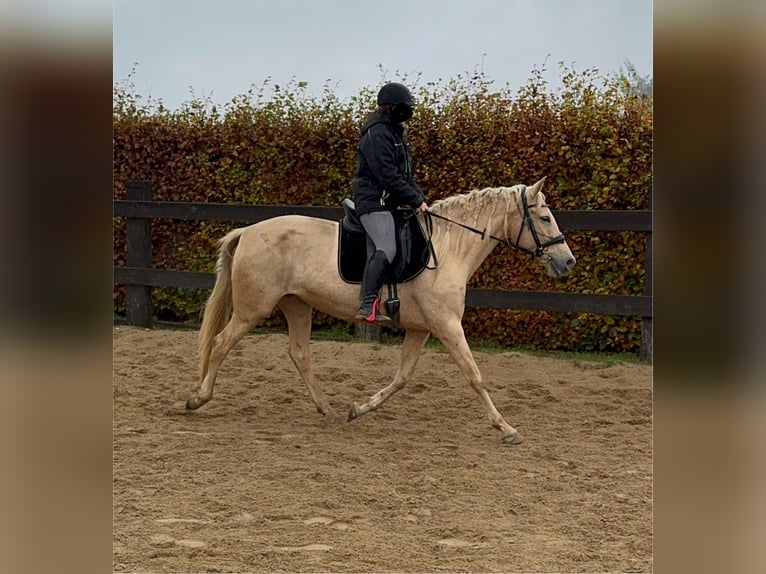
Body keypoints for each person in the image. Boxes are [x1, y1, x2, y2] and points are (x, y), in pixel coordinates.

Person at [352, 82, 429, 323]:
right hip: (374, 202)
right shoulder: (376, 135)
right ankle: (367, 303)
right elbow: (387, 176)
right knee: (387, 246)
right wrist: (415, 199)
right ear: (391, 108)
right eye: (404, 108)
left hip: (388, 204)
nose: (408, 114)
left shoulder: (396, 136)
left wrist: (422, 200)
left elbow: (405, 177)